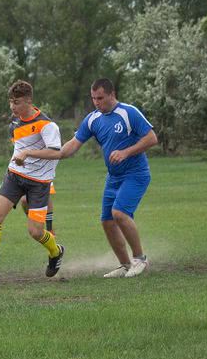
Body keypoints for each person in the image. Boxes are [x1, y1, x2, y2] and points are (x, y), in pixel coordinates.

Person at [13, 78, 157, 278]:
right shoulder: (92, 119)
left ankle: (140, 259)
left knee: (119, 213)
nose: (97, 103)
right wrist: (46, 154)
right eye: (93, 99)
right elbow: (71, 146)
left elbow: (151, 138)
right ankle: (124, 265)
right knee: (107, 221)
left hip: (136, 174)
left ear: (111, 94)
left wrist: (126, 152)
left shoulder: (128, 112)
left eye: (100, 98)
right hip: (113, 177)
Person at [0, 80, 64, 290]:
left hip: (39, 184)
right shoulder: (14, 125)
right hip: (15, 177)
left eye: (16, 102)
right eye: (10, 102)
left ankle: (56, 252)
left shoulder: (47, 125)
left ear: (28, 100)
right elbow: (19, 149)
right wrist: (21, 156)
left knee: (35, 232)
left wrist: (27, 153)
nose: (12, 107)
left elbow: (56, 153)